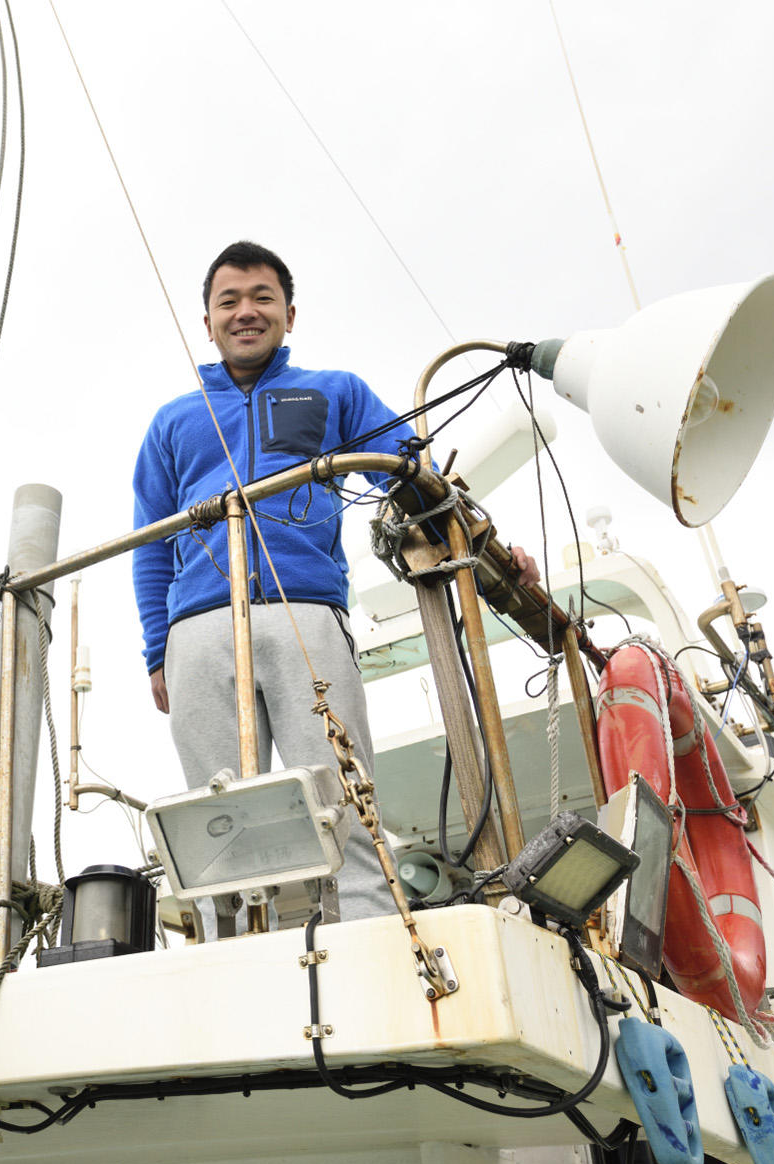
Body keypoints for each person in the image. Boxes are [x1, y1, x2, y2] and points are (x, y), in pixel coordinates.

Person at [131, 241, 535, 927]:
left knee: (340, 799)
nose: (245, 312)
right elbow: (148, 543)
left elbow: (407, 473)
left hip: (307, 614)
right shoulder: (172, 420)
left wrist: (486, 539)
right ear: (206, 322)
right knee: (216, 814)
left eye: (261, 297)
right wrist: (155, 650)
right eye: (228, 301)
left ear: (289, 313)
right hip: (195, 628)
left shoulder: (334, 390)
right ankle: (228, 957)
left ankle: (376, 942)